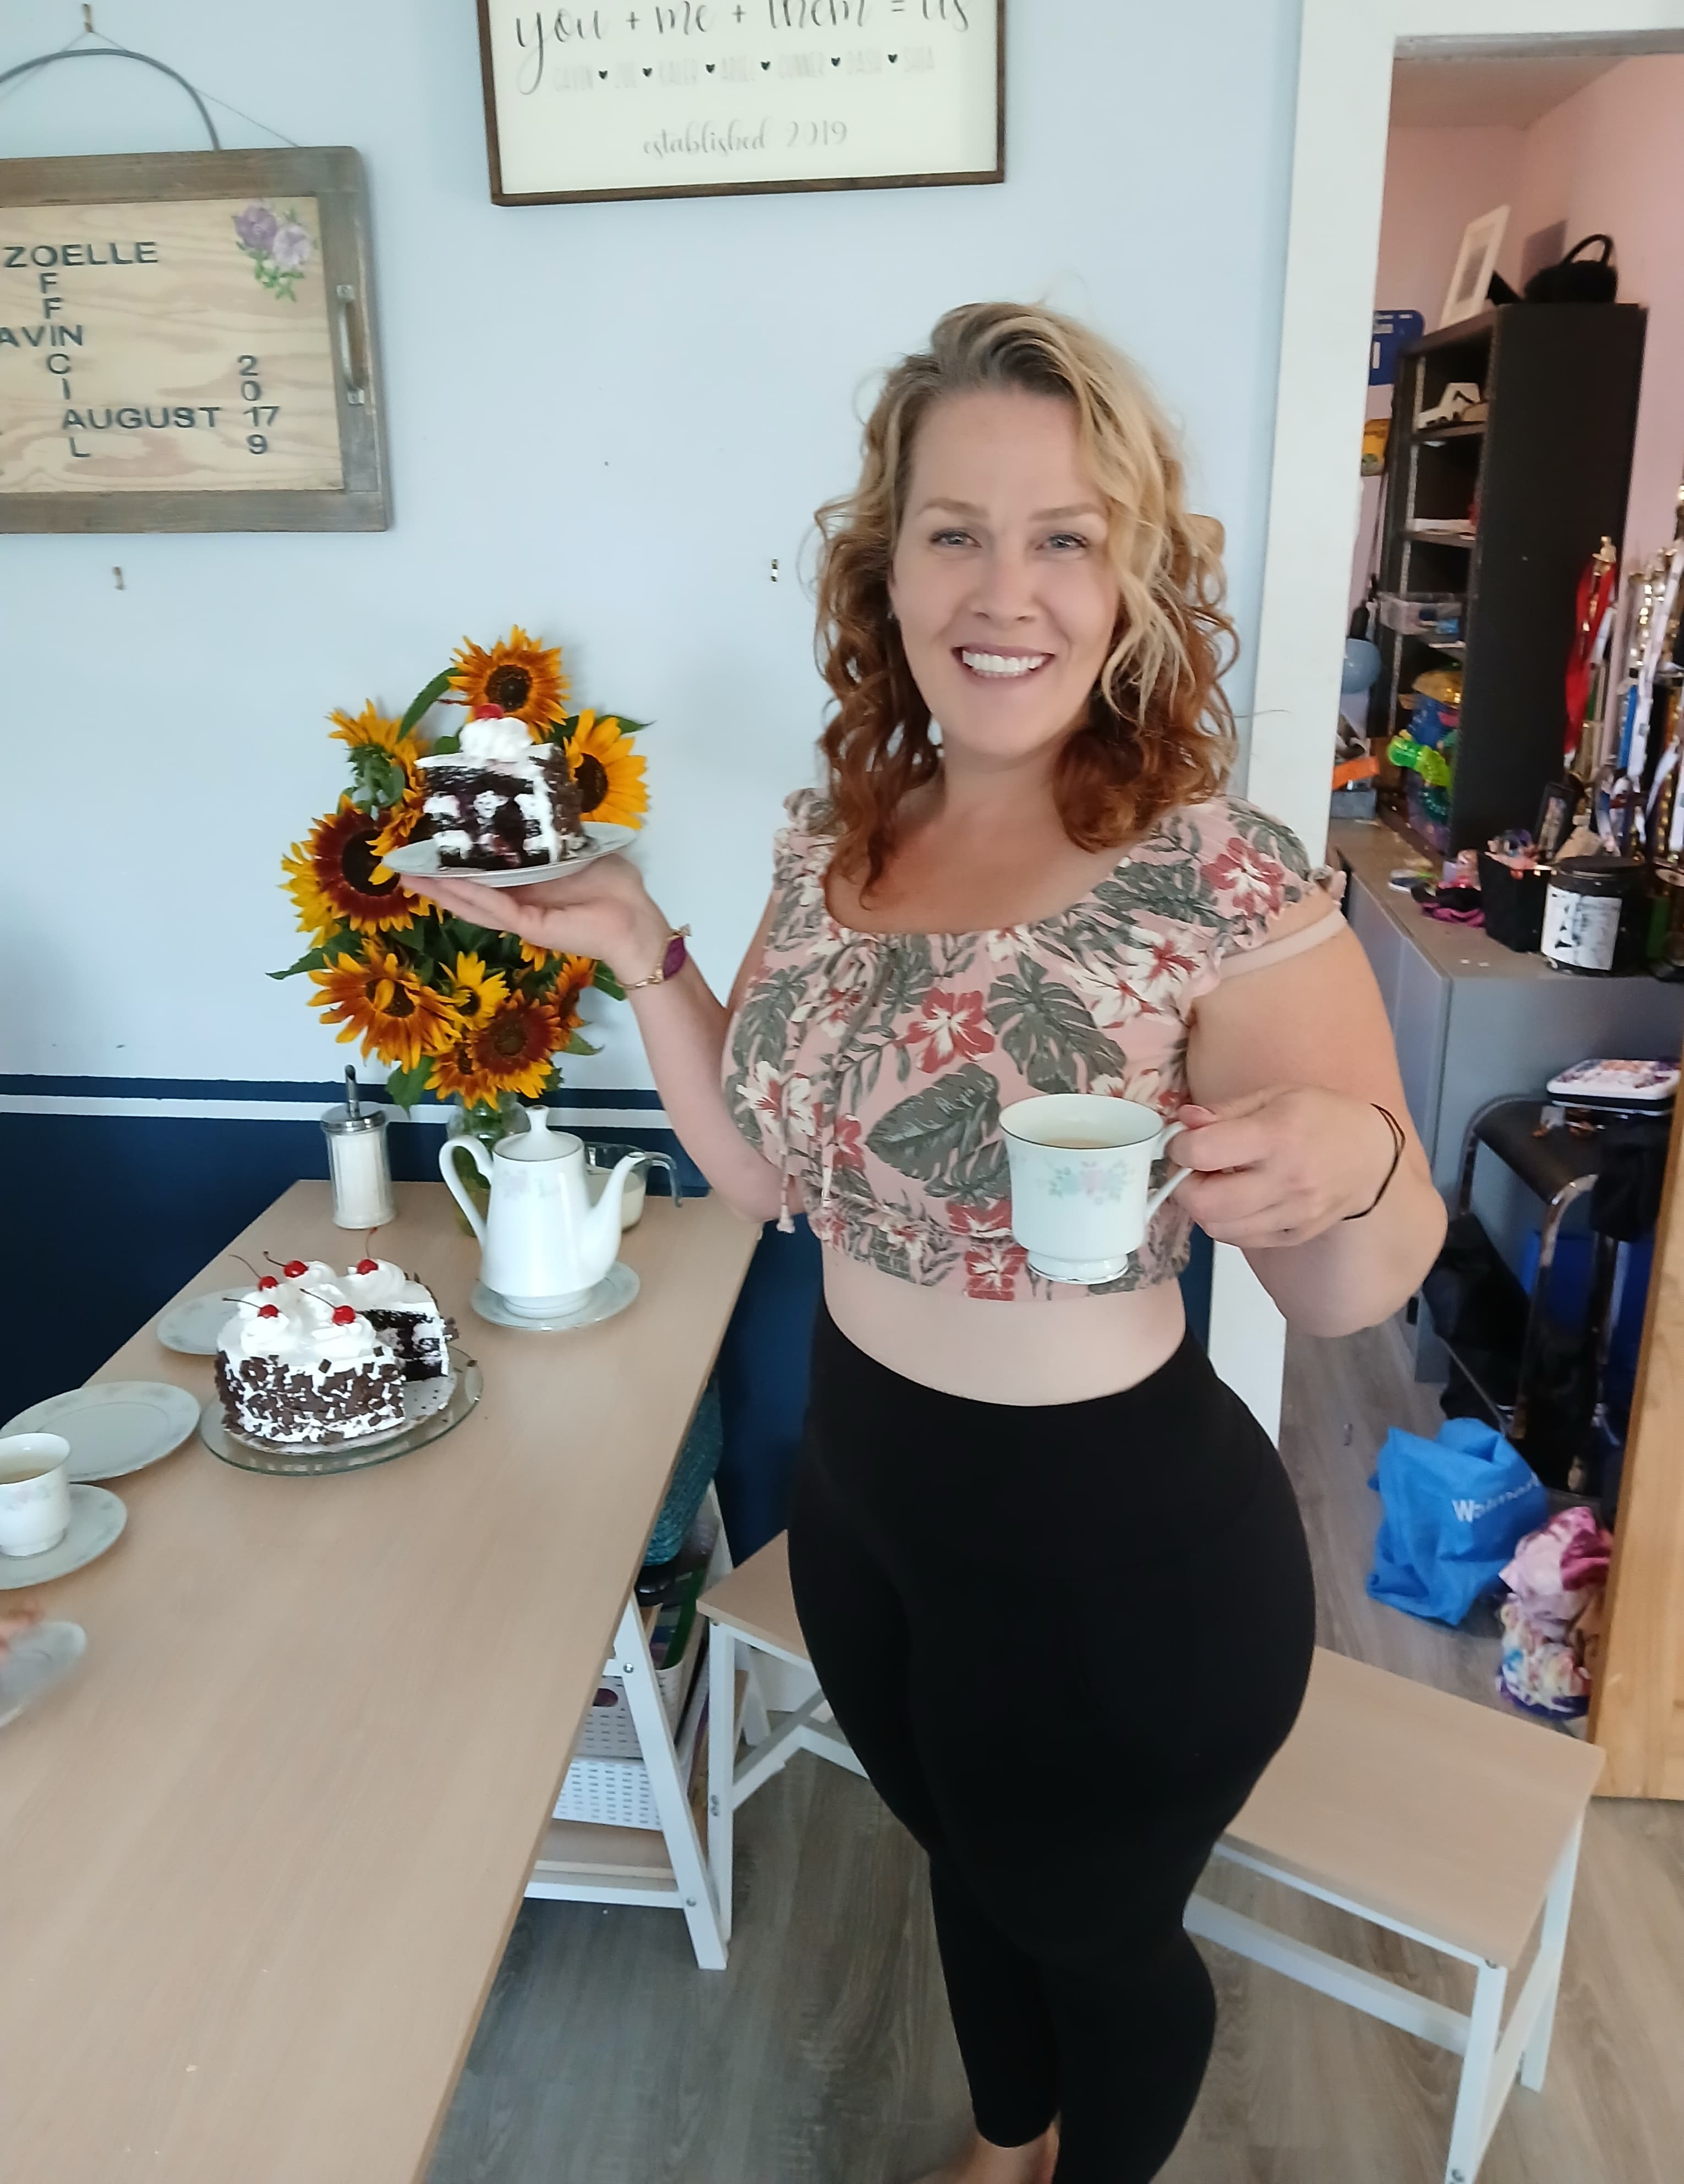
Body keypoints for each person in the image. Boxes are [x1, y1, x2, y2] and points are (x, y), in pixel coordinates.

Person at [402, 303, 1446, 2184]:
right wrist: (647, 951)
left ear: (1134, 574)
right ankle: (999, 2144)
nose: (1006, 587)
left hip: (1113, 1555)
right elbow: (766, 1178)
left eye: (1064, 534)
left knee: (1105, 1945)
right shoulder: (832, 842)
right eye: (953, 529)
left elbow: (1358, 1283)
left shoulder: (1218, 875)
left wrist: (1346, 1164)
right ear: (883, 568)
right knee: (967, 1860)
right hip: (864, 1494)